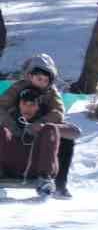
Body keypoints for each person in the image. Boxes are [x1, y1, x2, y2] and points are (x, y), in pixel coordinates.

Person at [1, 53, 76, 197]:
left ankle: (59, 184)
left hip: (41, 134)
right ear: (29, 76)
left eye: (45, 80)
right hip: (17, 130)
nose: (41, 82)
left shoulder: (51, 93)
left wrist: (39, 125)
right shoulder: (18, 88)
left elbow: (58, 113)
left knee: (65, 139)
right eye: (38, 78)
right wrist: (12, 125)